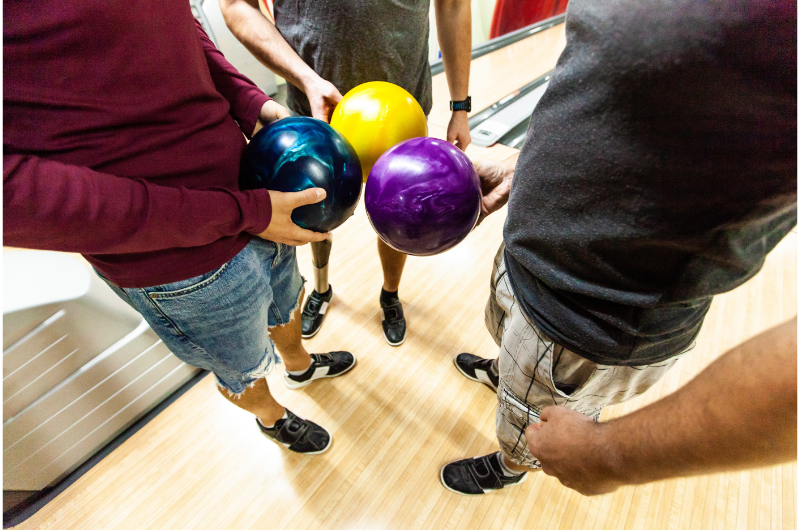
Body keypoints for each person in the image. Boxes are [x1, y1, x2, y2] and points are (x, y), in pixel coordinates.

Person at [442, 0, 796, 495]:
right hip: (529, 257)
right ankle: (505, 374)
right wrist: (531, 163)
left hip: (593, 320)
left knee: (528, 424)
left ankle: (511, 466)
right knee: (509, 347)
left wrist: (609, 455)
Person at [4, 0, 357, 454]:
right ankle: (273, 418)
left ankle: (299, 364)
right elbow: (17, 195)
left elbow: (177, 30)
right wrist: (238, 212)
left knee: (286, 298)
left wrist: (255, 107)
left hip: (258, 194)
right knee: (241, 363)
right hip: (178, 261)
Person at [219, 0, 473, 345]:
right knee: (314, 212)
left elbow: (454, 5)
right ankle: (321, 289)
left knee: (401, 210)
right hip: (314, 109)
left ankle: (390, 293)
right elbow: (236, 5)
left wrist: (460, 106)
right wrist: (307, 78)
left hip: (400, 113)